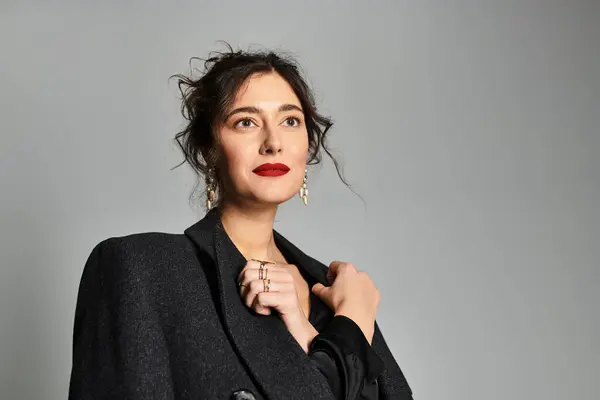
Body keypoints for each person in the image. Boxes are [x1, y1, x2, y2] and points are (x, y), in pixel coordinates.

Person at [68, 44, 414, 400]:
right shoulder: (144, 269)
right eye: (245, 122)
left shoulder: (335, 292)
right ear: (209, 148)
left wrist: (320, 328)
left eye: (290, 120)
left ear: (308, 145)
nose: (273, 142)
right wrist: (352, 329)